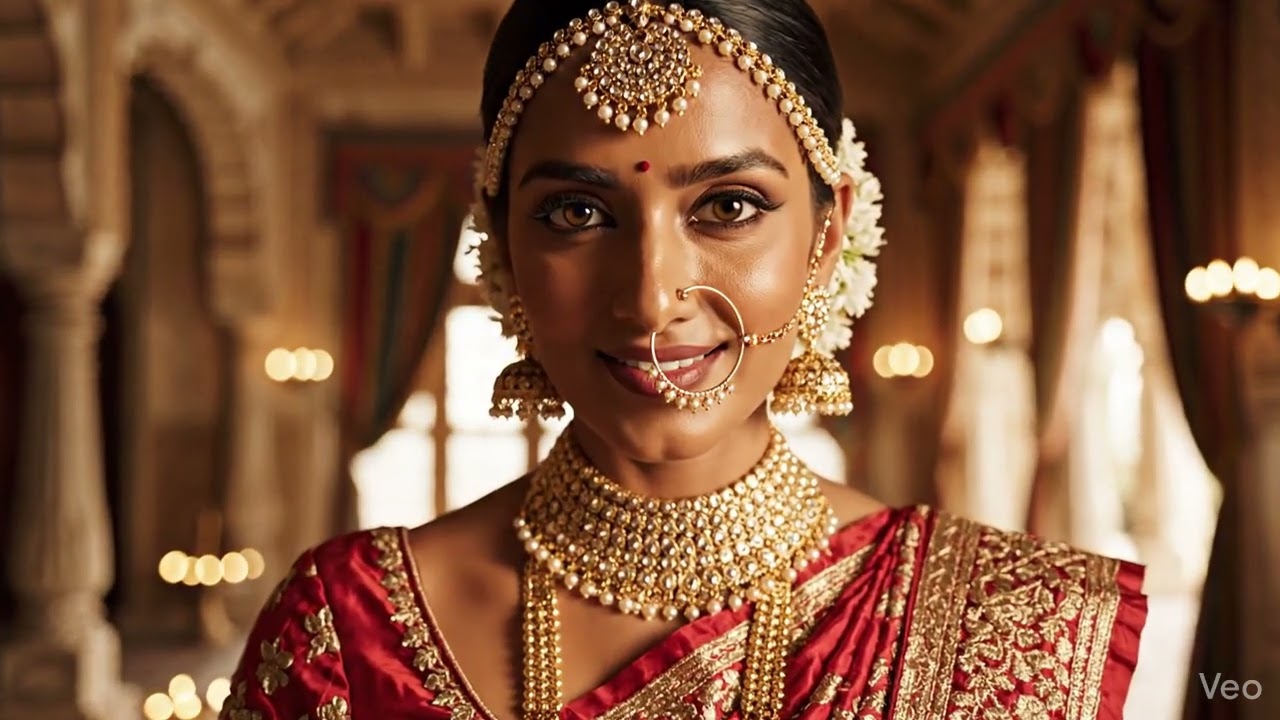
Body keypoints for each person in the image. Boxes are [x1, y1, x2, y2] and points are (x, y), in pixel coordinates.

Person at [218, 1, 1146, 718]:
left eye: (729, 206)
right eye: (577, 213)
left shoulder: (1011, 622)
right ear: (501, 247)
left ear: (828, 235)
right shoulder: (344, 636)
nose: (652, 296)